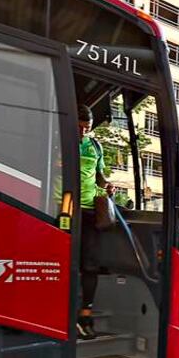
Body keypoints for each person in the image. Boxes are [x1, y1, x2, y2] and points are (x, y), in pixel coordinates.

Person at [77, 105, 112, 340]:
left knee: (90, 265)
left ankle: (85, 315)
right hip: (62, 208)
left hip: (90, 210)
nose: (82, 132)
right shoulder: (59, 140)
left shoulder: (95, 146)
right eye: (79, 127)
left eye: (86, 128)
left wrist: (107, 185)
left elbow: (100, 176)